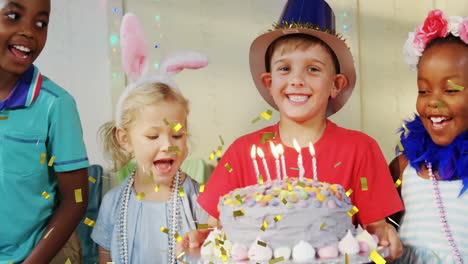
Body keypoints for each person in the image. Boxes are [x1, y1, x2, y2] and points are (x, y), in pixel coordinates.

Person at [185, 0, 404, 261]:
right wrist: (201, 238)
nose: (297, 80)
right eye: (285, 68)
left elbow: (374, 229)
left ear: (336, 84)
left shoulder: (360, 149)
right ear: (269, 82)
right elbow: (215, 230)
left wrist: (383, 233)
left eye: (313, 69)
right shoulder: (242, 152)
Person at [90, 13, 208, 264]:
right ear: (125, 140)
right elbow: (105, 256)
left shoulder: (198, 198)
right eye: (153, 136)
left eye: (177, 134)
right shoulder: (113, 202)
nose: (167, 145)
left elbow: (215, 250)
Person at [0, 0, 89, 263]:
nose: (29, 31)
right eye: (13, 16)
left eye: (41, 23)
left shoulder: (57, 105)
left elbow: (76, 200)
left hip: (39, 254)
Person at [390, 9, 468, 263]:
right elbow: (378, 238)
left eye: (450, 89)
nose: (433, 101)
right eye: (423, 90)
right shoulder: (403, 168)